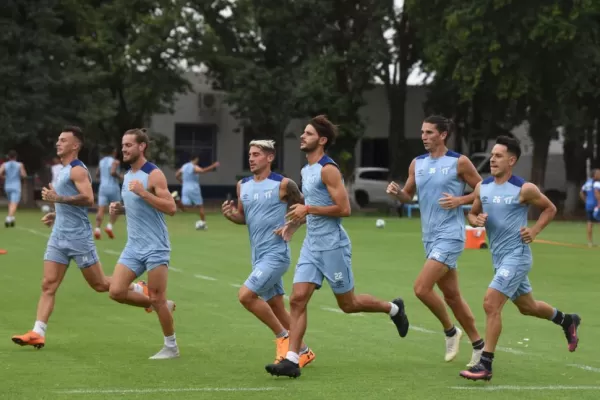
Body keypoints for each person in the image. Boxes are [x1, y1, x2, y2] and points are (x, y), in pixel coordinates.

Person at [265, 115, 409, 379]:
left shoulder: (327, 169)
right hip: (312, 245)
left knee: (348, 304)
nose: (302, 137)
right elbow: (308, 207)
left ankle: (394, 308)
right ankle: (292, 359)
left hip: (333, 246)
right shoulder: (306, 170)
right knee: (297, 299)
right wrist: (293, 226)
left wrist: (308, 208)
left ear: (321, 140)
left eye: (307, 134)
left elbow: (344, 209)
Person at [11, 126, 149, 349]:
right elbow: (69, 202)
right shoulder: (64, 170)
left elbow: (88, 199)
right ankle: (38, 332)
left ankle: (140, 291)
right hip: (58, 237)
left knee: (101, 284)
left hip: (78, 239)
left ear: (75, 145)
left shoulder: (77, 169)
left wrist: (58, 198)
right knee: (48, 284)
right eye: (58, 139)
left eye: (63, 140)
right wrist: (56, 213)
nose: (58, 143)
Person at [459, 135, 581, 382]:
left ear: (511, 160)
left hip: (518, 256)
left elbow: (550, 208)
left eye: (498, 156)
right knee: (528, 307)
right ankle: (567, 320)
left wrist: (534, 231)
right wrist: (476, 220)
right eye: (492, 155)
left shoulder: (524, 189)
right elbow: (471, 215)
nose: (492, 159)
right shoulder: (483, 187)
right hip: (499, 259)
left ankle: (485, 364)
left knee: (491, 303)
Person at [386, 115, 484, 367]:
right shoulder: (416, 163)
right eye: (422, 132)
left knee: (421, 288)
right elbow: (409, 196)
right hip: (429, 237)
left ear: (443, 135)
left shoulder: (459, 162)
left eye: (429, 132)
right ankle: (479, 346)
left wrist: (460, 202)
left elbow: (483, 189)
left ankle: (450, 332)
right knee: (452, 297)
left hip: (450, 235)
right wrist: (398, 194)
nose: (424, 136)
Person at [222, 139, 315, 368]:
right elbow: (245, 218)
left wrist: (292, 226)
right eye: (250, 154)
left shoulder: (284, 184)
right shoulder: (242, 185)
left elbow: (305, 210)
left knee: (245, 296)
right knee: (276, 306)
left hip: (276, 255)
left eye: (256, 154)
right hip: (258, 256)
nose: (251, 158)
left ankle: (282, 337)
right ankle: (303, 350)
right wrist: (231, 216)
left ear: (270, 157)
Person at [108, 128, 179, 360]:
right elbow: (139, 208)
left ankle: (171, 347)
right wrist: (122, 209)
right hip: (134, 246)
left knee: (157, 298)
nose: (124, 149)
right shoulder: (128, 175)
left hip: (155, 246)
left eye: (128, 145)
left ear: (142, 147)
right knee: (116, 291)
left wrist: (143, 193)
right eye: (123, 145)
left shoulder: (153, 174)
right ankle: (161, 304)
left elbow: (171, 208)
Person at [175, 155, 219, 230]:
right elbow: (203, 171)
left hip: (185, 188)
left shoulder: (184, 166)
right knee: (200, 206)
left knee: (185, 206)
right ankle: (203, 223)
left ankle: (177, 200)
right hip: (194, 188)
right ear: (195, 159)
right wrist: (213, 166)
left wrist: (182, 181)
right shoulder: (194, 166)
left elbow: (177, 175)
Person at [95, 147, 122, 239]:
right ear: (114, 152)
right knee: (116, 208)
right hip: (113, 187)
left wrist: (103, 178)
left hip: (102, 187)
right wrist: (120, 177)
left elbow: (97, 174)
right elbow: (113, 172)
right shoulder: (115, 162)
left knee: (101, 209)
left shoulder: (101, 162)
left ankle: (97, 229)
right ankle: (109, 226)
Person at [0, 150, 27, 227]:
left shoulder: (5, 164)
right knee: (14, 203)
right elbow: (23, 175)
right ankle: (9, 217)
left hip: (7, 186)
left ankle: (12, 217)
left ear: (8, 156)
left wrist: (4, 177)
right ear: (16, 156)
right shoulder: (19, 164)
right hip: (16, 186)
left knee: (10, 202)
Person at [579, 169, 600, 247]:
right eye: (598, 173)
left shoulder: (587, 183)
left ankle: (590, 242)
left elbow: (581, 192)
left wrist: (586, 200)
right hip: (596, 205)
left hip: (588, 205)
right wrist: (599, 203)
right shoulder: (597, 183)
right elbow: (597, 193)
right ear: (594, 175)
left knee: (589, 223)